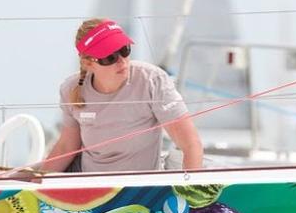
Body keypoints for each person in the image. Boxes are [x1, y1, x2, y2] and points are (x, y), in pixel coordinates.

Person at [42, 18, 203, 173]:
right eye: (109, 57)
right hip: (88, 184)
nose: (121, 61)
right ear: (88, 63)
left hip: (141, 187)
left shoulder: (152, 80)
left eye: (124, 50)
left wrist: (193, 193)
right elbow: (66, 147)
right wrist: (36, 186)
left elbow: (190, 144)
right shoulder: (71, 88)